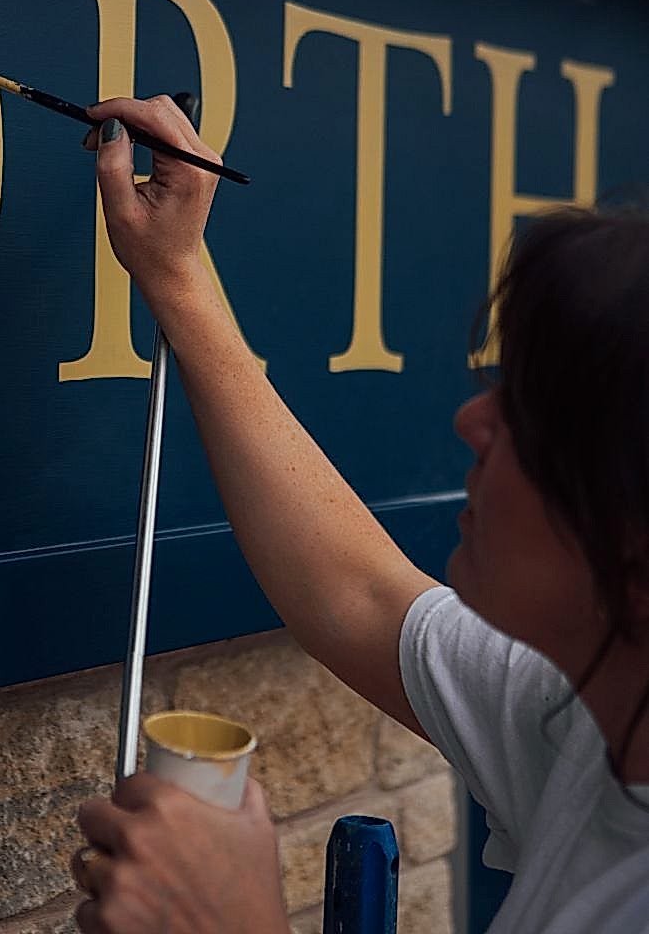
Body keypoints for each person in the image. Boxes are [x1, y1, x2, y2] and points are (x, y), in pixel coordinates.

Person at [71, 96, 649, 934]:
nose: (472, 421)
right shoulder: (596, 718)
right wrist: (177, 272)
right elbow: (360, 594)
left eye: (535, 414)